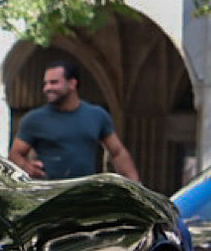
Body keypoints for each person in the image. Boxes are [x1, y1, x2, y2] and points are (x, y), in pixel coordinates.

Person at [10, 57, 141, 182]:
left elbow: (117, 152)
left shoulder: (97, 115)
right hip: (48, 194)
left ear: (72, 83)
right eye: (45, 83)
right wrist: (26, 166)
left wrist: (135, 185)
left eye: (54, 82)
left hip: (84, 194)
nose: (47, 88)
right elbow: (15, 155)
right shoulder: (34, 119)